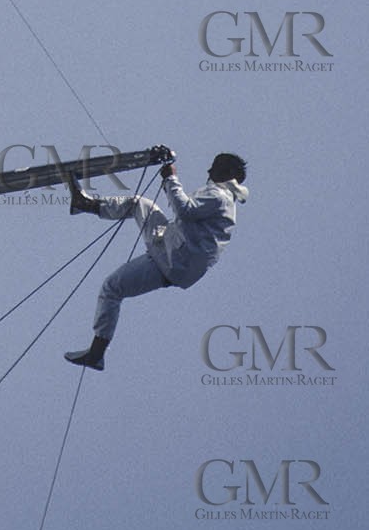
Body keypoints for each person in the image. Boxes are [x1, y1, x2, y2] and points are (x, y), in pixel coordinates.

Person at [62, 148, 248, 370]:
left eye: (215, 167)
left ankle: (96, 353)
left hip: (174, 259)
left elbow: (185, 209)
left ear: (228, 172)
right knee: (140, 204)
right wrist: (167, 176)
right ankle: (85, 204)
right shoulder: (222, 199)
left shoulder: (220, 196)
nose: (209, 171)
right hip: (174, 252)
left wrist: (170, 178)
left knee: (112, 288)